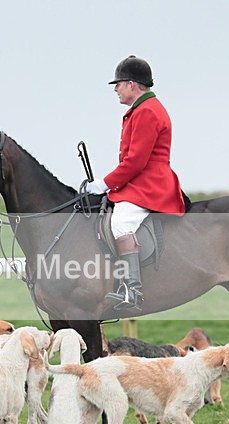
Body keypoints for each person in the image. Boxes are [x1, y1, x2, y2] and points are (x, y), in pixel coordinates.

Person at [86, 55, 186, 312]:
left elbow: (135, 163)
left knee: (120, 222)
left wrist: (104, 184)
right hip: (140, 181)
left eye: (118, 84)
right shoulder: (142, 110)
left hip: (150, 185)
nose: (115, 89)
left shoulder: (147, 112)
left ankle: (132, 290)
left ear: (132, 84)